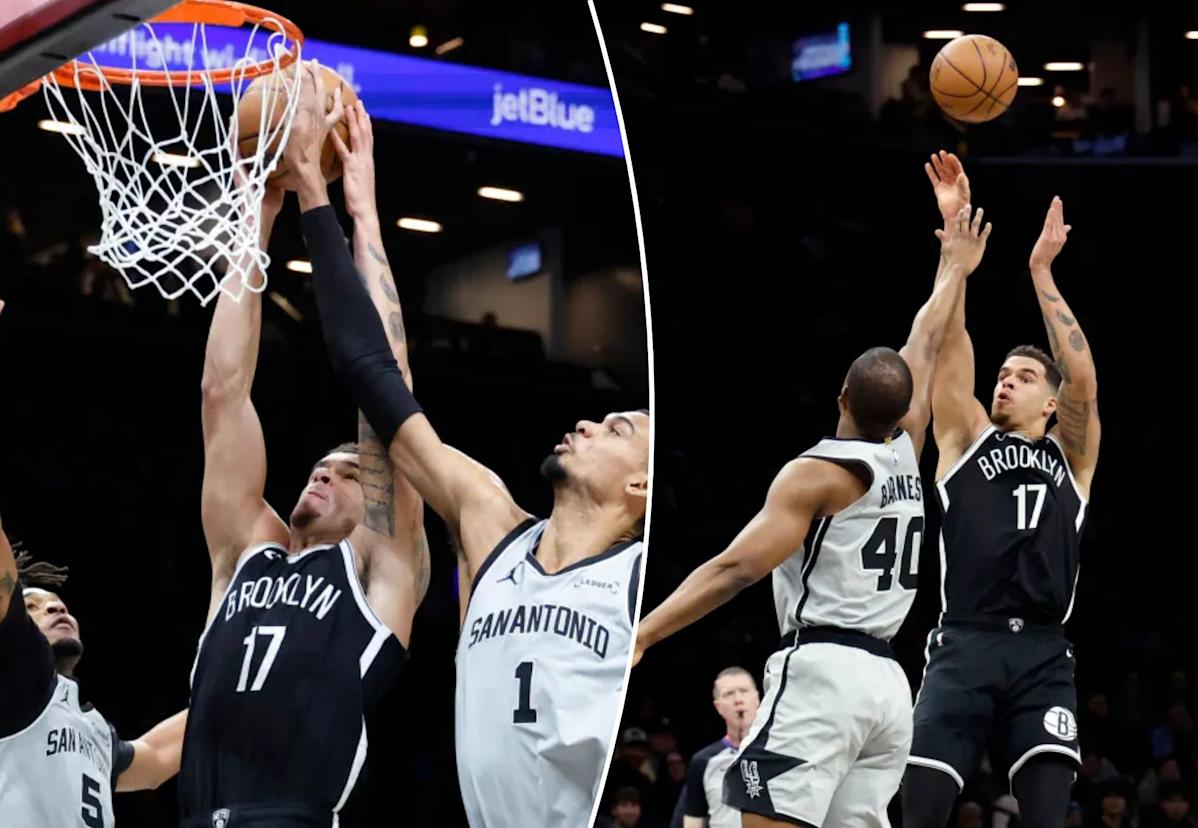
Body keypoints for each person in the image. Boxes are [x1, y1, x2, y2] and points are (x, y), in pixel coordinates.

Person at [291, 65, 649, 827]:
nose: (587, 423)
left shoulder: (641, 574)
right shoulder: (490, 525)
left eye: (617, 429)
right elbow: (377, 382)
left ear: (641, 491)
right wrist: (344, 208)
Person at [633, 203, 992, 827]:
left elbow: (736, 568)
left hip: (821, 674)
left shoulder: (818, 473)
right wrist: (954, 263)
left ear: (842, 396)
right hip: (888, 689)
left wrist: (644, 634)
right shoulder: (908, 448)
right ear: (907, 405)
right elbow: (925, 341)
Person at [179, 64, 429, 828]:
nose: (326, 470)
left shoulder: (380, 570)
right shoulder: (243, 551)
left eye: (346, 471)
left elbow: (386, 389)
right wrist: (259, 211)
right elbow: (223, 393)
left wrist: (359, 211)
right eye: (320, 466)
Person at [902, 152, 1102, 828]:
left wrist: (1041, 271)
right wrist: (955, 242)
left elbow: (1081, 377)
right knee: (922, 810)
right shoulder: (964, 440)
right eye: (1004, 373)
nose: (1006, 380)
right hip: (965, 642)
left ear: (1050, 404)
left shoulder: (1072, 457)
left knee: (1047, 817)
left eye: (1022, 376)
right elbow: (948, 343)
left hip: (1044, 651)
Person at [0, 371, 187, 824]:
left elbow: (158, 757)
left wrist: (245, 686)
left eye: (53, 602)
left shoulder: (91, 727)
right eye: (31, 607)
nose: (54, 606)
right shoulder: (16, 677)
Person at [682, 667, 761, 828]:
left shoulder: (779, 751)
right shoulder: (703, 761)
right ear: (718, 707)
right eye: (729, 694)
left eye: (744, 691)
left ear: (757, 699)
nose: (738, 699)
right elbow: (693, 821)